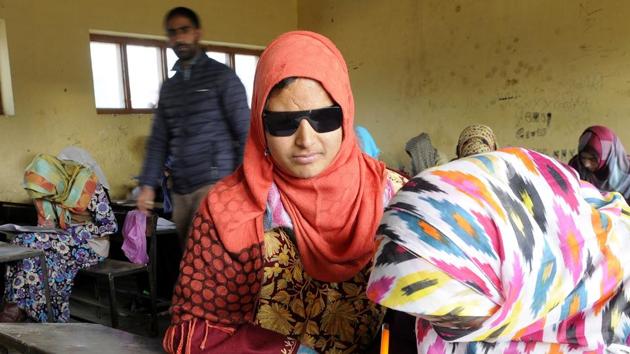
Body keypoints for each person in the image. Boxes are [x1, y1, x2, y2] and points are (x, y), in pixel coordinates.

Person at [162, 31, 407, 354]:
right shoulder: (228, 211)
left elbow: (427, 313)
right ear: (260, 124)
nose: (306, 139)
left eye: (323, 118)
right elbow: (190, 333)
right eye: (283, 123)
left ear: (345, 113)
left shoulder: (394, 197)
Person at [367, 147, 630, 352]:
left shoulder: (615, 311)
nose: (441, 330)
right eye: (424, 315)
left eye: (450, 314)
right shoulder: (438, 296)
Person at [137, 6, 250, 249]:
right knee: (190, 259)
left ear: (197, 33)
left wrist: (242, 185)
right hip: (181, 189)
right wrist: (146, 186)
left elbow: (245, 132)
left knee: (210, 259)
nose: (179, 37)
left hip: (216, 185)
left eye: (184, 30)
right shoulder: (170, 88)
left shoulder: (222, 77)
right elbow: (158, 140)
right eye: (173, 33)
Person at [1, 148, 117, 322]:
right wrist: (47, 226)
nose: (45, 197)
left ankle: (39, 313)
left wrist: (72, 232)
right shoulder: (49, 189)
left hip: (92, 244)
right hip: (60, 239)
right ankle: (19, 307)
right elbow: (48, 224)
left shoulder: (89, 187)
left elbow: (110, 225)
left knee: (43, 254)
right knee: (22, 243)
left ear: (54, 176)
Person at [569, 125, 630, 202]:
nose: (586, 164)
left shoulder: (627, 174)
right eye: (583, 157)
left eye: (593, 159)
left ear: (608, 154)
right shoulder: (576, 166)